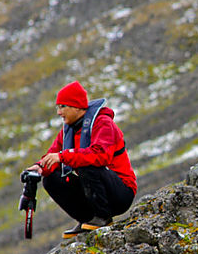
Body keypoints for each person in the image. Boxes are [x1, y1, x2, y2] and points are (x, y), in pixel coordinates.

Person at [27, 81, 137, 238]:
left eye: (62, 106)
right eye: (57, 107)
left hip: (121, 193)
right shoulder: (67, 130)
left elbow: (100, 156)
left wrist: (63, 156)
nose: (59, 112)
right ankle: (87, 219)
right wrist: (38, 168)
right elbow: (52, 156)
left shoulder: (103, 123)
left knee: (86, 162)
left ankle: (103, 217)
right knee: (50, 179)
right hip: (95, 189)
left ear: (77, 106)